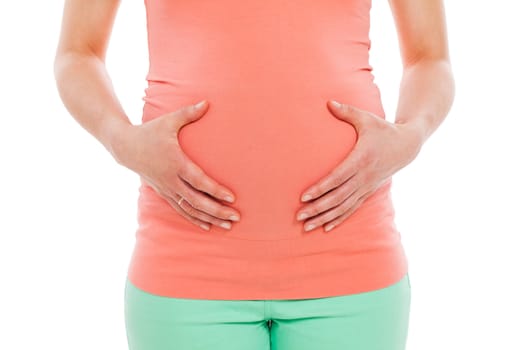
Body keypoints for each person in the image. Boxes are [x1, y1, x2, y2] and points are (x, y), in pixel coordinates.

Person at [53, 0, 455, 349]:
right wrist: (120, 139)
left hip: (353, 257)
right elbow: (77, 53)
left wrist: (411, 134)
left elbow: (429, 58)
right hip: (185, 261)